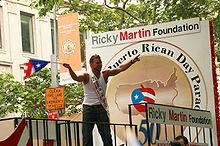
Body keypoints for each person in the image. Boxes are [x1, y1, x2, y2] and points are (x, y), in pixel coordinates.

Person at [63, 54, 140, 146]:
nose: (100, 64)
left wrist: (131, 61)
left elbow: (120, 68)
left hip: (101, 108)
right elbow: (76, 78)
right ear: (91, 64)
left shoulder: (105, 74)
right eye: (97, 63)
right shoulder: (87, 76)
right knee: (87, 136)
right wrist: (69, 68)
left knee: (106, 135)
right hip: (88, 109)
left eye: (100, 62)